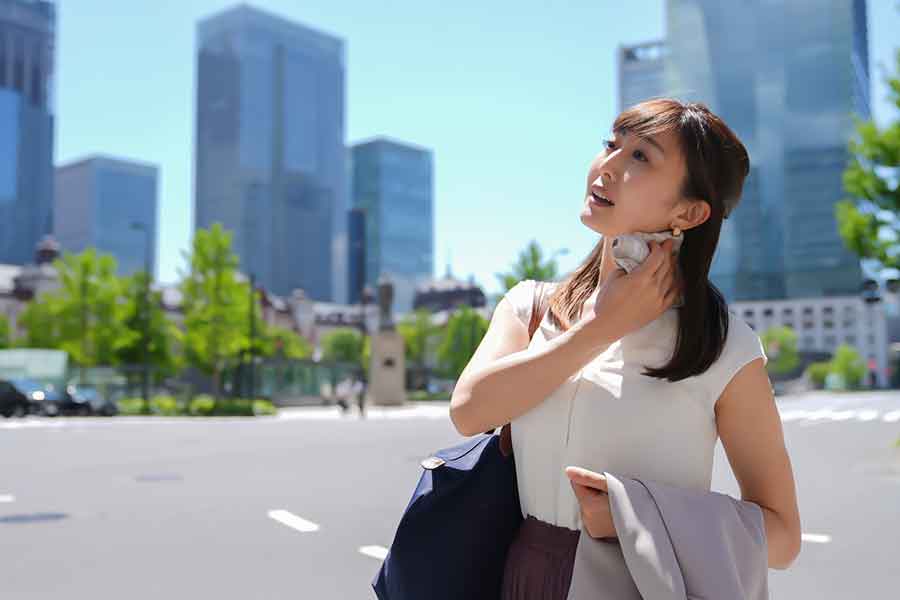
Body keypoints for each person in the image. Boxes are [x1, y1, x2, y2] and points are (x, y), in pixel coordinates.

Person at [448, 98, 802, 599]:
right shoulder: (530, 307)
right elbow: (469, 411)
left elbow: (784, 536)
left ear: (689, 211)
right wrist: (596, 329)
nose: (608, 166)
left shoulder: (723, 348)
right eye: (611, 145)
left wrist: (637, 517)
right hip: (521, 577)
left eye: (641, 157)